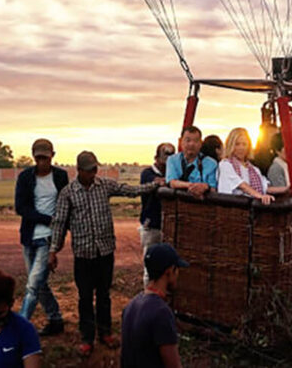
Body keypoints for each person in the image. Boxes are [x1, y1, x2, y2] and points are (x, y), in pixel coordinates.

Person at [49, 151, 163, 357]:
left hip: (105, 251)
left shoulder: (104, 186)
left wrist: (155, 185)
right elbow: (59, 223)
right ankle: (87, 338)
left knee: (104, 295)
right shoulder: (68, 193)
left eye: (95, 168)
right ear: (79, 171)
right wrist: (53, 250)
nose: (94, 173)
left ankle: (105, 333)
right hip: (83, 254)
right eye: (89, 170)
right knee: (85, 297)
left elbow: (130, 190)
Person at [13, 139, 68, 335]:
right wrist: (47, 219)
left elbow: (65, 205)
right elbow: (20, 207)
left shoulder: (61, 176)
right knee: (39, 283)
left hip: (48, 239)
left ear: (53, 155)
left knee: (32, 285)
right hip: (29, 236)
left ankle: (19, 327)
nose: (42, 161)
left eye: (45, 157)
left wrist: (58, 234)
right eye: (38, 158)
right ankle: (55, 319)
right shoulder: (25, 177)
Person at [120, 244, 189, 368]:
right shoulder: (161, 313)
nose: (178, 274)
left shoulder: (131, 306)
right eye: (177, 269)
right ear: (169, 271)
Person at [217, 128, 287, 204]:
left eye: (244, 144)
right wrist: (259, 196)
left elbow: (267, 188)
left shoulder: (254, 169)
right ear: (230, 145)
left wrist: (287, 189)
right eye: (237, 144)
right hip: (233, 209)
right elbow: (242, 185)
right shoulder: (225, 164)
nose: (241, 148)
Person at [139, 143, 175, 286]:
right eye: (165, 154)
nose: (167, 159)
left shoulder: (172, 173)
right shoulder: (147, 173)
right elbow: (157, 182)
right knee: (151, 264)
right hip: (152, 225)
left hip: (167, 225)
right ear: (156, 157)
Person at [166, 126, 218, 198]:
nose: (191, 144)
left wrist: (205, 187)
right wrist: (193, 186)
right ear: (180, 141)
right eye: (188, 140)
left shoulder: (211, 163)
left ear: (201, 143)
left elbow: (213, 188)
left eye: (196, 141)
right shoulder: (172, 160)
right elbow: (172, 182)